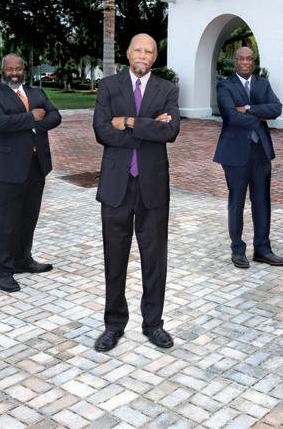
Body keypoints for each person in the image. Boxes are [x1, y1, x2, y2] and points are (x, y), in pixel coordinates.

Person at [93, 34, 180, 352]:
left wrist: (128, 122)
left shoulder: (167, 89)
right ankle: (113, 325)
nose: (143, 55)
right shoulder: (108, 86)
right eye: (138, 49)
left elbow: (171, 131)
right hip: (116, 186)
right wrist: (148, 127)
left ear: (155, 57)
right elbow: (101, 131)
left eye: (149, 51)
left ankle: (153, 324)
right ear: (128, 54)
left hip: (152, 187)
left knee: (154, 259)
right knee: (114, 258)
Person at [0, 54, 61, 293]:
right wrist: (31, 118)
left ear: (24, 69)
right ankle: (3, 270)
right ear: (2, 70)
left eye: (18, 69)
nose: (14, 73)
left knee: (28, 217)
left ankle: (23, 259)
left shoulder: (37, 93)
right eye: (10, 69)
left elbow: (55, 116)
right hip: (6, 169)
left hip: (36, 166)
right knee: (5, 222)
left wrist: (31, 124)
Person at [213, 47, 283, 269]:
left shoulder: (262, 84)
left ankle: (263, 249)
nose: (245, 62)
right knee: (236, 202)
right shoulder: (225, 85)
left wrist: (247, 108)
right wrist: (260, 117)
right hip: (234, 152)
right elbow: (230, 116)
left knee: (262, 201)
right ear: (234, 61)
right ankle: (237, 250)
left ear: (253, 62)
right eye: (241, 58)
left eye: (249, 59)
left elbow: (276, 109)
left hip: (261, 151)